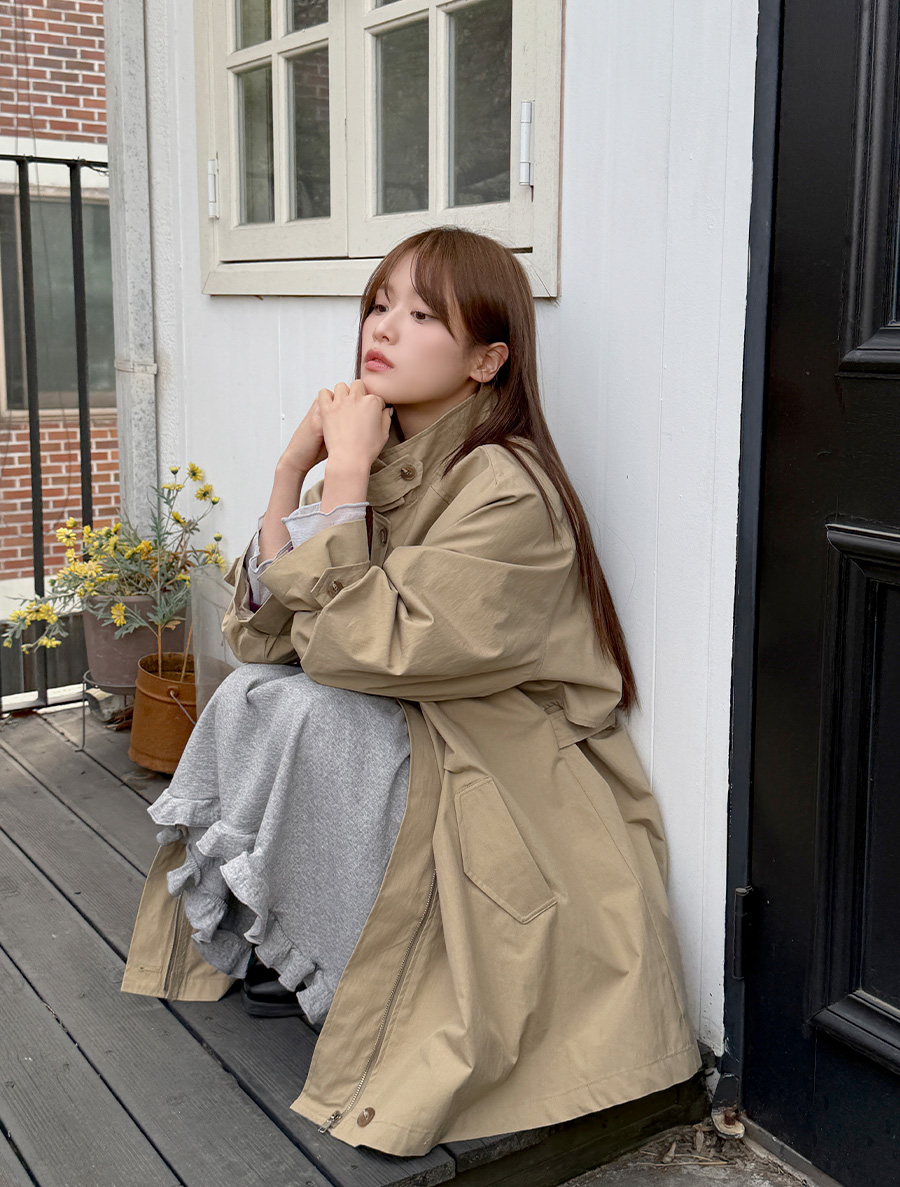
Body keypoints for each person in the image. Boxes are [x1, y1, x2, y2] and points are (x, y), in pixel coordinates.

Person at [121, 226, 702, 1157]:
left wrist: (344, 477)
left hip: (514, 773)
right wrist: (291, 473)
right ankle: (308, 944)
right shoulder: (395, 459)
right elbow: (261, 635)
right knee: (251, 694)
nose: (384, 328)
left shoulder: (507, 490)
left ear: (486, 360)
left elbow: (357, 652)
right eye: (380, 305)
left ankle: (348, 967)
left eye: (423, 314)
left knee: (306, 710)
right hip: (425, 727)